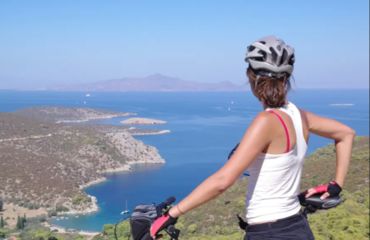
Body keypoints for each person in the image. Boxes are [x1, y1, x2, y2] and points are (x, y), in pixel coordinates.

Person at [150, 36, 355, 239]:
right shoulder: (299, 116)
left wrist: (171, 214)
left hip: (269, 233)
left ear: (252, 78)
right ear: (286, 78)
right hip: (298, 227)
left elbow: (222, 181)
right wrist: (335, 185)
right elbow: (346, 134)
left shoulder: (266, 121)